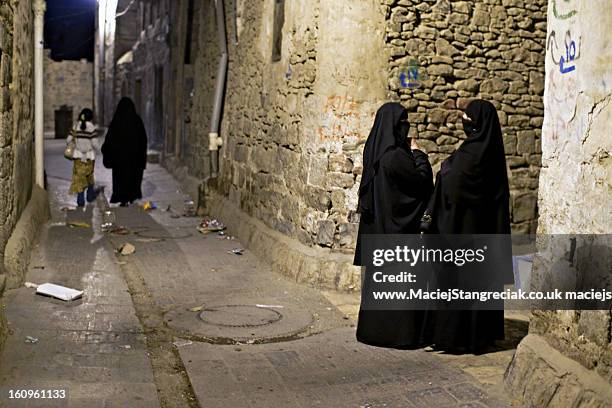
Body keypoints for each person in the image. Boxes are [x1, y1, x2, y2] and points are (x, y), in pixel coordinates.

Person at [420, 99, 512, 353]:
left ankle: (455, 338)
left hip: (460, 233)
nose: (465, 123)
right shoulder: (492, 156)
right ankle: (481, 335)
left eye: (468, 119)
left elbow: (451, 184)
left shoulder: (468, 156)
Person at [354, 102, 434, 348]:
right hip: (398, 234)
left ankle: (372, 332)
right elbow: (420, 183)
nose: (406, 128)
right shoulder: (396, 157)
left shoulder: (374, 152)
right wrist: (419, 154)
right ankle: (400, 335)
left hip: (379, 231)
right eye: (403, 123)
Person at [102, 97, 148, 206]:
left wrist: (107, 151)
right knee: (133, 177)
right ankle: (132, 196)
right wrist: (142, 157)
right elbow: (143, 140)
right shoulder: (137, 120)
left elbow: (109, 140)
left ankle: (122, 199)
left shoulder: (116, 121)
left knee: (120, 179)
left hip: (120, 161)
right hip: (135, 160)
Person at [68, 108, 99, 207]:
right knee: (89, 176)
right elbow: (95, 144)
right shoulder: (91, 127)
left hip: (78, 157)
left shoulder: (76, 126)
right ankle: (90, 196)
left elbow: (68, 140)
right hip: (89, 157)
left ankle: (80, 200)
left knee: (79, 178)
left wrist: (77, 143)